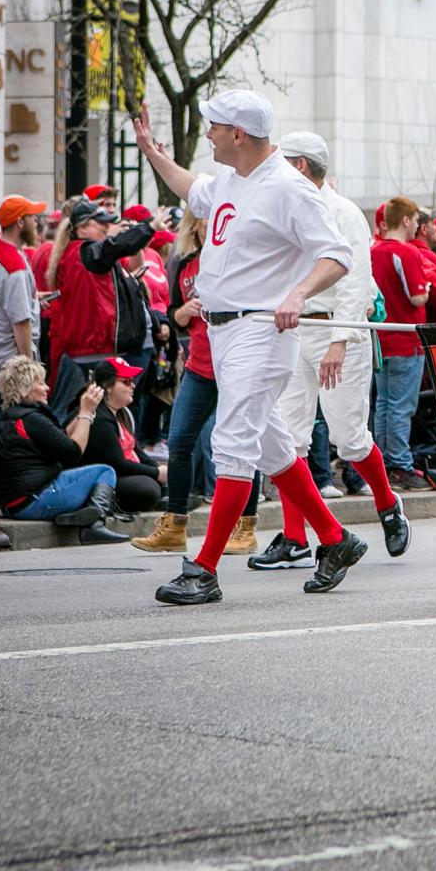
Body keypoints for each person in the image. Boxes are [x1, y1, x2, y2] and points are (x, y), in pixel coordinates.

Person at [133, 89, 364, 605]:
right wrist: (152, 152)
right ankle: (335, 538)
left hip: (260, 331)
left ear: (237, 133)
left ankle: (204, 569)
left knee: (234, 444)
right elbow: (190, 188)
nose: (208, 133)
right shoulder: (235, 180)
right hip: (222, 330)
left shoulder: (289, 186)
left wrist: (299, 292)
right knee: (271, 445)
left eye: (213, 126)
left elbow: (337, 254)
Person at [256, 131, 411, 571]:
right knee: (289, 437)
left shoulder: (343, 213)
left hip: (335, 331)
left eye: (284, 162)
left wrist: (340, 341)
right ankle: (293, 538)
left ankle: (387, 505)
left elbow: (356, 280)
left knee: (349, 438)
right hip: (292, 330)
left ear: (301, 166)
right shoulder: (285, 208)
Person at [134, 210, 260, 556]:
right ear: (196, 226)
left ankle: (245, 525)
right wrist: (183, 311)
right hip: (199, 364)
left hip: (236, 364)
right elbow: (173, 316)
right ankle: (175, 522)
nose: (213, 228)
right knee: (179, 440)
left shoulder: (241, 260)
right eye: (206, 221)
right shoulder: (186, 264)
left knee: (239, 446)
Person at [0, 355, 129, 543]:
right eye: (41, 383)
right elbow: (73, 452)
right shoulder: (32, 419)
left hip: (13, 505)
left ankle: (77, 514)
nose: (47, 388)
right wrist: (85, 413)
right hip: (34, 501)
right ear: (26, 388)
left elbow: (60, 439)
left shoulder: (8, 418)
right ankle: (94, 526)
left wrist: (85, 410)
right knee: (104, 471)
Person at [46, 198, 156, 408]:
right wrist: (149, 228)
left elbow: (121, 254)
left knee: (89, 411)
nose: (107, 227)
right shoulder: (87, 252)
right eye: (101, 223)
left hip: (88, 348)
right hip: (93, 348)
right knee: (92, 412)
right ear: (83, 228)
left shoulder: (78, 251)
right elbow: (116, 248)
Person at [371, 195, 435, 490]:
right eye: (416, 220)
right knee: (400, 407)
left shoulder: (374, 251)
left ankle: (382, 463)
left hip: (381, 340)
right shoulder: (406, 253)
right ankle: (399, 465)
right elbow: (417, 297)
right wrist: (428, 287)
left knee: (384, 405)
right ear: (406, 221)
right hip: (406, 339)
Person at [0, 196, 45, 451]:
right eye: (32, 217)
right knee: (4, 427)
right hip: (7, 361)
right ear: (19, 222)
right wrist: (29, 366)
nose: (37, 222)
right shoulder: (13, 265)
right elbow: (21, 322)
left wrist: (34, 300)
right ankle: (0, 487)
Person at [68, 359, 164, 512]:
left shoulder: (121, 412)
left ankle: (165, 497)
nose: (132, 386)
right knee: (148, 488)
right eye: (126, 382)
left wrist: (159, 469)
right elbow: (117, 464)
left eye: (132, 381)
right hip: (103, 480)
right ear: (108, 387)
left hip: (122, 474)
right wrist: (156, 473)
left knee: (169, 478)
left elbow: (136, 451)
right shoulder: (99, 417)